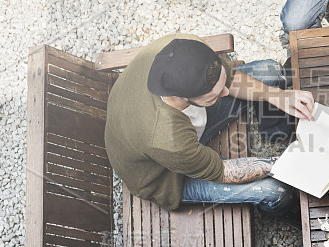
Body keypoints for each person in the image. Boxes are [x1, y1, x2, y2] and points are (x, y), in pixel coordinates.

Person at [104, 34, 315, 218]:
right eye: (214, 95)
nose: (225, 93)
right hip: (167, 176)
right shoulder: (164, 136)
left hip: (183, 133)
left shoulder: (185, 49)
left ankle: (273, 133)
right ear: (180, 96)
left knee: (269, 71)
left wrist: (277, 96)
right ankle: (284, 213)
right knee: (274, 191)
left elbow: (229, 81)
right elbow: (221, 170)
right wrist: (286, 161)